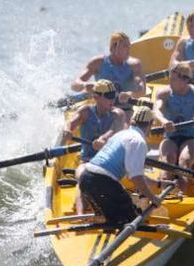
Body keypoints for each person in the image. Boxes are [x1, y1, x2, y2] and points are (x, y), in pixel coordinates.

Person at [78, 106, 173, 225]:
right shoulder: (138, 141)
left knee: (109, 217)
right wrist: (153, 198)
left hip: (85, 178)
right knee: (131, 220)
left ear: (133, 121)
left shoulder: (121, 134)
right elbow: (136, 178)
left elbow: (133, 176)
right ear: (150, 124)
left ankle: (106, 222)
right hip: (102, 182)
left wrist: (159, 184)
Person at [63, 79, 125, 214]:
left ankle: (99, 207)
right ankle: (80, 216)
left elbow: (115, 129)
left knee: (96, 181)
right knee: (82, 177)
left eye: (113, 95)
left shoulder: (118, 114)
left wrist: (103, 139)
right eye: (108, 96)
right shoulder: (85, 112)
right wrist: (67, 131)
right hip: (87, 160)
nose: (112, 99)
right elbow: (70, 123)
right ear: (96, 97)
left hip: (110, 162)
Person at [153, 62, 194, 191]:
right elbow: (156, 111)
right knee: (168, 163)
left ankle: (181, 193)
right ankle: (165, 199)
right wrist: (163, 121)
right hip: (170, 138)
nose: (169, 82)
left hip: (190, 138)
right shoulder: (164, 93)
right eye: (170, 78)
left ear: (186, 79)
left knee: (184, 163)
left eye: (173, 79)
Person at [71, 32, 146, 121]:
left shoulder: (134, 65)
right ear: (114, 47)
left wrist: (130, 94)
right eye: (125, 46)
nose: (129, 50)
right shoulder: (97, 63)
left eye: (129, 46)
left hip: (125, 110)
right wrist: (84, 85)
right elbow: (74, 85)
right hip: (102, 110)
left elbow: (142, 90)